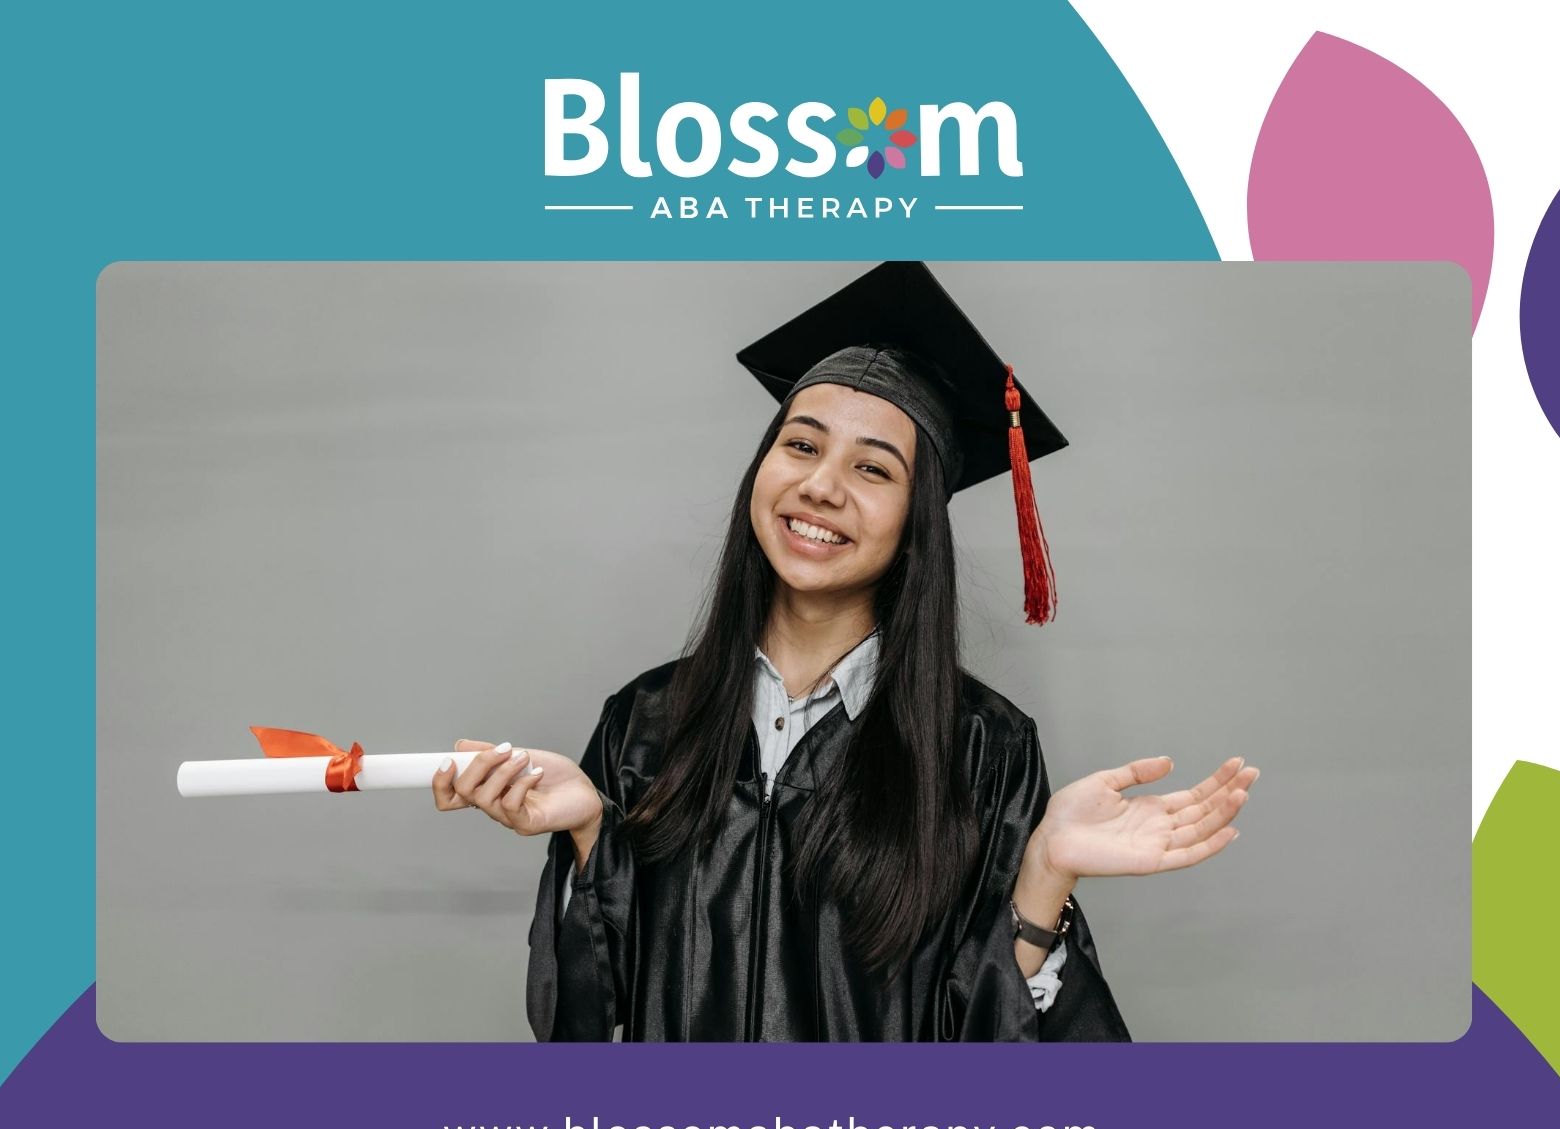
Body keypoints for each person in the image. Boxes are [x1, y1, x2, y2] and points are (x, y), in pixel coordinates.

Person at [432, 262, 1259, 1041]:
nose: (821, 485)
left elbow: (990, 1052)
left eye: (873, 468)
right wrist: (588, 835)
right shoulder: (647, 723)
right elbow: (579, 1021)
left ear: (915, 524)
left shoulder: (982, 749)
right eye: (800, 445)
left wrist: (1042, 878)